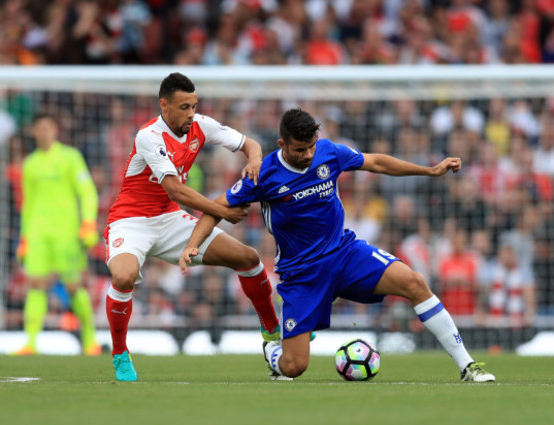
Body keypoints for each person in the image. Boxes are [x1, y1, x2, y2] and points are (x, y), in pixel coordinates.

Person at [180, 108, 495, 382]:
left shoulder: (329, 152)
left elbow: (376, 163)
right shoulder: (262, 174)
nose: (308, 155)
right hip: (302, 274)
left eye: (311, 147)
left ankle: (467, 365)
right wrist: (194, 244)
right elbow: (216, 206)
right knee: (294, 367)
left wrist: (429, 170)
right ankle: (272, 351)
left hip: (345, 254)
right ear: (282, 145)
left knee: (414, 282)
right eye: (301, 149)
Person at [104, 73, 280, 381]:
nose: (190, 114)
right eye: (184, 107)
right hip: (130, 221)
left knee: (248, 258)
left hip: (169, 218)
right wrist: (220, 210)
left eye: (194, 106)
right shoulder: (149, 136)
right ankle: (120, 354)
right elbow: (176, 190)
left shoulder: (201, 125)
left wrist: (254, 159)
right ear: (165, 105)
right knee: (123, 276)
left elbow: (249, 143)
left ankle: (271, 329)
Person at [15, 114, 101, 356]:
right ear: (33, 132)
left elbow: (87, 192)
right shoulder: (30, 163)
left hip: (67, 232)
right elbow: (27, 204)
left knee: (73, 285)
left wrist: (88, 223)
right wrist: (24, 237)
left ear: (55, 130)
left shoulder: (70, 157)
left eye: (47, 127)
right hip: (38, 233)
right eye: (38, 128)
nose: (43, 132)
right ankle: (30, 343)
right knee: (36, 284)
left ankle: (90, 340)